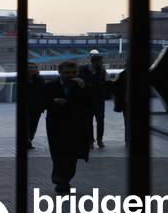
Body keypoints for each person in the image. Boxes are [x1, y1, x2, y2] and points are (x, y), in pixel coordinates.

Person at [44, 60, 90, 194]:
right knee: (57, 154)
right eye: (67, 73)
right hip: (56, 125)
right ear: (60, 72)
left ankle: (63, 180)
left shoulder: (80, 85)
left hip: (75, 125)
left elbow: (90, 102)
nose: (70, 75)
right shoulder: (50, 86)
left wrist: (83, 88)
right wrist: (53, 102)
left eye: (73, 73)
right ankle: (60, 180)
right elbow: (42, 102)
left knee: (71, 155)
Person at [78, 52, 111, 148]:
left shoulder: (102, 71)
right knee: (88, 121)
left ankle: (99, 140)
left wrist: (105, 94)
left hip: (99, 101)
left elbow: (108, 84)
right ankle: (90, 140)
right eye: (100, 62)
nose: (101, 63)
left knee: (100, 121)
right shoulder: (83, 70)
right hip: (87, 101)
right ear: (94, 62)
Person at [25, 63, 48, 149]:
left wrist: (43, 105)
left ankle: (29, 141)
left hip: (36, 107)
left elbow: (43, 92)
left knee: (33, 125)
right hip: (27, 106)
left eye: (34, 68)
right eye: (30, 67)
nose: (32, 69)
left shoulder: (40, 79)